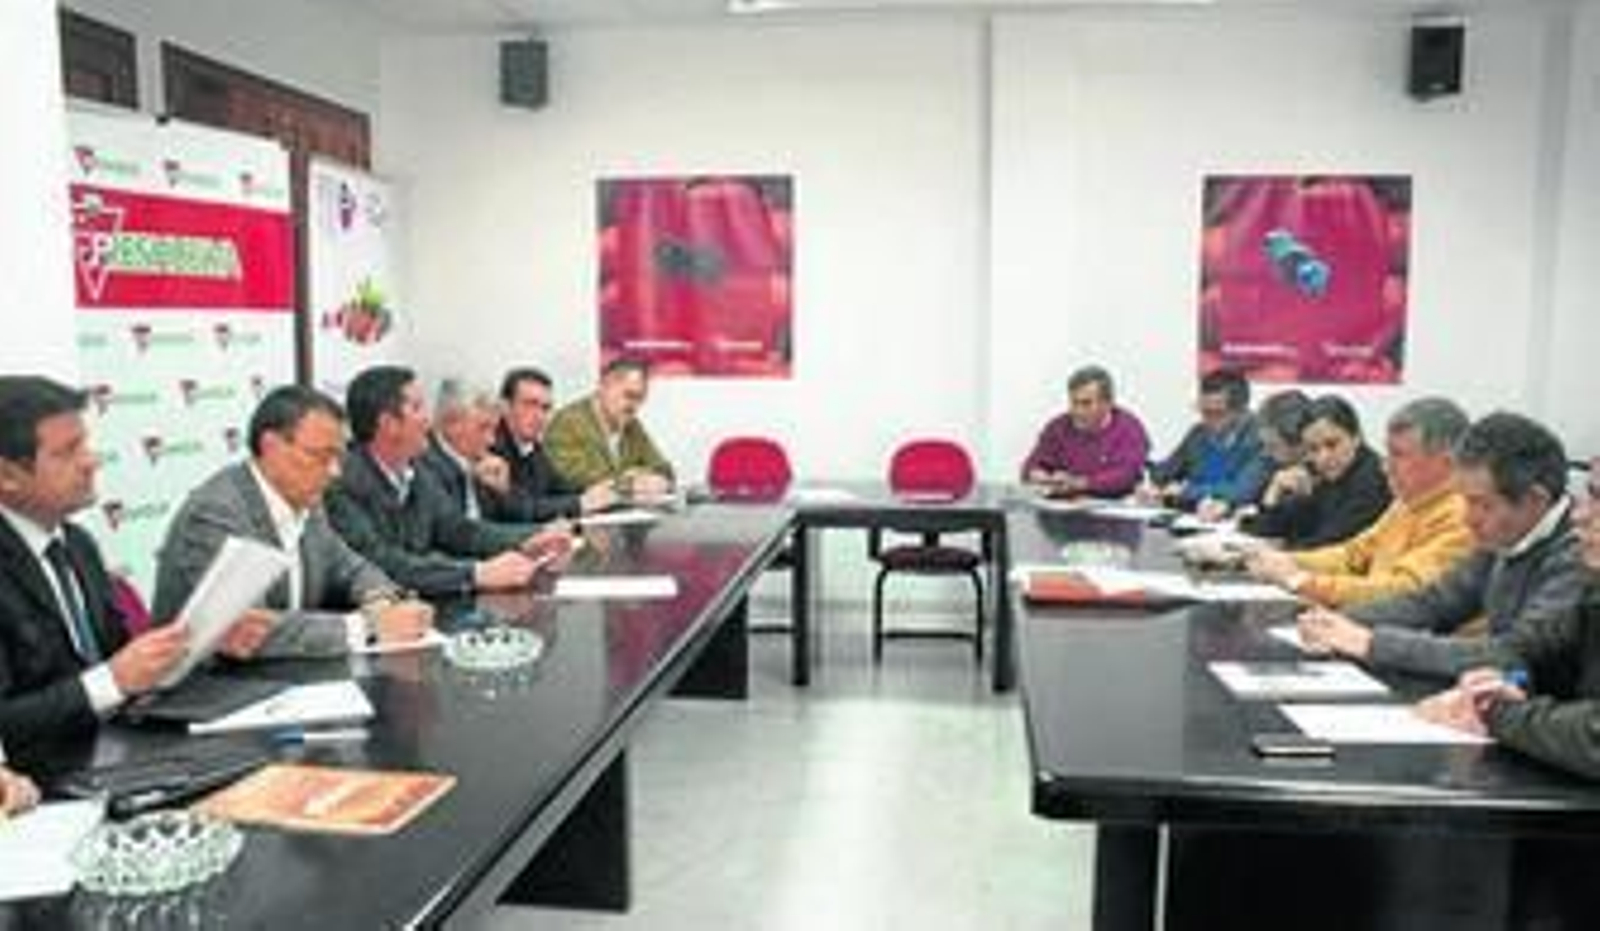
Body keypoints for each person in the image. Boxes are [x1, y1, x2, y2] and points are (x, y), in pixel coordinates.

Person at [0, 376, 262, 752]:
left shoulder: (77, 543)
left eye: (85, 444)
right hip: (36, 784)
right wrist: (112, 681)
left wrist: (200, 644)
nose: (90, 462)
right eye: (67, 452)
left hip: (113, 752)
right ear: (7, 475)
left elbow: (120, 657)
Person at [1298, 413, 1584, 678]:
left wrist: (1373, 643)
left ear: (1535, 499)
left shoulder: (1580, 554)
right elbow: (1437, 601)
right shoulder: (1504, 537)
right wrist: (1338, 621)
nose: (1469, 519)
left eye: (1481, 504)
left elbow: (1512, 653)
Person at [154, 385, 435, 655]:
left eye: (337, 457)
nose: (335, 472)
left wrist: (386, 602)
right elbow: (248, 631)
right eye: (321, 456)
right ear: (271, 446)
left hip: (280, 681)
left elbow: (350, 567)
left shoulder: (306, 500)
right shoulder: (216, 512)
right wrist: (368, 627)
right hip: (205, 690)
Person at [1416, 460, 1600, 779]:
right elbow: (1538, 652)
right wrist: (1505, 685)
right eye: (1589, 495)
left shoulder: (1573, 560)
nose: (1580, 514)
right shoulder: (1594, 587)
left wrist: (1496, 712)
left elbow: (1593, 736)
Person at [324, 366, 574, 599]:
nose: (429, 420)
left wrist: (530, 537)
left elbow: (459, 530)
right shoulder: (342, 483)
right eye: (418, 407)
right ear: (388, 424)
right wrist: (475, 573)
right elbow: (384, 562)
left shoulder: (415, 471)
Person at [1247, 396, 1473, 607]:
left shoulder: (1464, 516)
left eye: (1399, 455)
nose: (1386, 466)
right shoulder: (1406, 504)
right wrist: (1286, 560)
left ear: (1446, 461)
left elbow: (1402, 590)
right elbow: (1352, 555)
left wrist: (1301, 580)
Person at [1241, 394, 1392, 548]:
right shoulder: (1320, 473)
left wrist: (1279, 552)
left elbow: (1331, 545)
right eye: (1313, 448)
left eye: (1332, 444)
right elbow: (1269, 529)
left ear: (1356, 437)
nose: (1323, 457)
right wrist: (1273, 491)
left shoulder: (1373, 480)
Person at [492, 367, 616, 521]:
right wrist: (580, 503)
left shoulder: (534, 448)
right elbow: (520, 509)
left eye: (545, 408)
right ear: (505, 406)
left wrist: (606, 490)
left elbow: (562, 488)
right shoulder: (490, 446)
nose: (539, 416)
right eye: (530, 404)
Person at [1145, 369, 1269, 516]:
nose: (1206, 419)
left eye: (1216, 413)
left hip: (1233, 522)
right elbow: (1166, 471)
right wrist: (1151, 484)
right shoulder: (1198, 433)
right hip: (1191, 516)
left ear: (1241, 410)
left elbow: (1242, 491)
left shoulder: (1262, 438)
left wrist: (1187, 491)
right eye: (1203, 410)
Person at [543, 358, 674, 496]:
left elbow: (664, 469)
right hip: (583, 515)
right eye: (629, 395)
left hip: (625, 513)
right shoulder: (567, 422)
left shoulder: (632, 425)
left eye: (640, 399)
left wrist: (655, 478)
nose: (634, 406)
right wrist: (630, 481)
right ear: (603, 387)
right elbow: (575, 480)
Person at [1020, 365, 1150, 498]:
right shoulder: (1058, 427)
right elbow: (1031, 465)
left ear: (1108, 403)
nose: (1078, 411)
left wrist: (1080, 483)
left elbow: (1125, 476)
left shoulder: (1129, 429)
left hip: (1111, 507)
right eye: (1074, 403)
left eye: (1086, 403)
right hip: (1063, 507)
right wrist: (1038, 476)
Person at [418, 378, 514, 522]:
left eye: (494, 430)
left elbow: (500, 525)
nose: (491, 440)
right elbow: (459, 534)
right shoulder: (424, 467)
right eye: (483, 428)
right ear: (451, 424)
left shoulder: (478, 464)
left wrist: (503, 493)